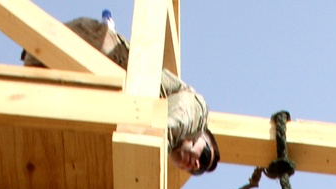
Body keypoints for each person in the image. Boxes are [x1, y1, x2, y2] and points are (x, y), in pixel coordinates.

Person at [23, 17, 219, 174]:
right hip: (96, 51)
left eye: (198, 171)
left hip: (64, 78)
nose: (195, 165)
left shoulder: (153, 127)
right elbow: (176, 119)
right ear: (200, 134)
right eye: (203, 156)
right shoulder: (198, 111)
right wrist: (153, 150)